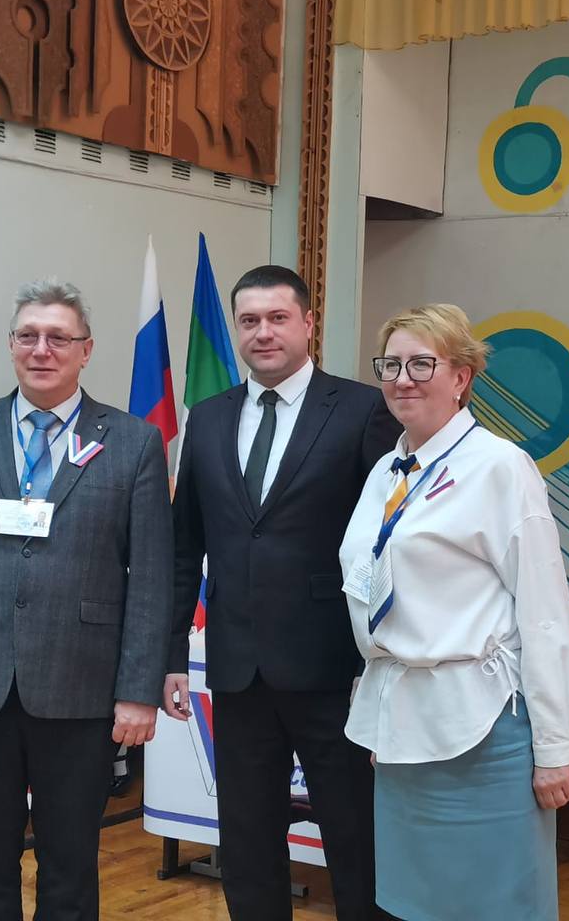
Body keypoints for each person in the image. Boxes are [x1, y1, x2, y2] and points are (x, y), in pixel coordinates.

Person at [0, 280, 173, 921]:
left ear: (86, 350)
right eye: (28, 336)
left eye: (58, 338)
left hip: (81, 688)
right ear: (11, 345)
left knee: (70, 867)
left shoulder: (133, 441)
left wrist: (138, 691)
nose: (41, 349)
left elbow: (151, 579)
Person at [164, 265, 401, 921]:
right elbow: (185, 547)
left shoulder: (362, 410)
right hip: (238, 669)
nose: (262, 333)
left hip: (335, 671)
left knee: (354, 835)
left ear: (307, 324)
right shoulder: (207, 418)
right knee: (246, 839)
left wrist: (380, 658)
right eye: (249, 321)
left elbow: (390, 544)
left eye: (277, 318)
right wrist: (171, 654)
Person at [338, 304, 569, 921]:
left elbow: (546, 616)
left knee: (494, 904)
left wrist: (556, 747)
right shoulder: (385, 472)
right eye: (391, 365)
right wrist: (382, 717)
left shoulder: (500, 466)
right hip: (403, 728)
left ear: (461, 377)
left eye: (422, 364)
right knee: (412, 904)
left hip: (482, 730)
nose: (403, 378)